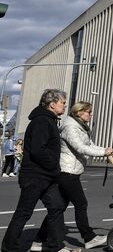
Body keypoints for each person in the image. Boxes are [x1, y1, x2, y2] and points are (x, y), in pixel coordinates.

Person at [1, 89, 79, 252]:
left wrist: (53, 170)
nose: (65, 105)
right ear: (52, 104)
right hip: (35, 176)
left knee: (57, 206)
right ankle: (9, 248)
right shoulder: (42, 121)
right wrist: (53, 165)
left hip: (47, 177)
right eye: (62, 102)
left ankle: (55, 246)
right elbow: (38, 150)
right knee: (24, 213)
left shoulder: (49, 120)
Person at [32, 101, 113, 250]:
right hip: (67, 172)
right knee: (81, 204)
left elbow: (89, 145)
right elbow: (80, 147)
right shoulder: (70, 126)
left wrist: (108, 150)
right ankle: (89, 238)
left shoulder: (80, 127)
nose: (91, 114)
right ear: (79, 112)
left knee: (59, 208)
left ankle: (38, 241)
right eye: (88, 112)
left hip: (70, 171)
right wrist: (103, 153)